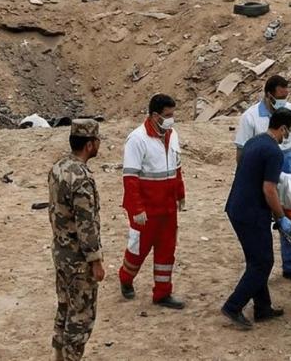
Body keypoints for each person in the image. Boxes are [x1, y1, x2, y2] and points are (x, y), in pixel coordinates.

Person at [222, 108, 291, 329]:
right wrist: (281, 216)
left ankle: (263, 308)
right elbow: (269, 189)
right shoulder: (274, 152)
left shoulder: (254, 142)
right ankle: (233, 306)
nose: (290, 135)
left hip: (238, 208)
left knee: (256, 260)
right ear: (282, 128)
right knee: (263, 262)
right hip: (251, 213)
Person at [235, 76, 291, 283]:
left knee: (286, 215)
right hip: (263, 166)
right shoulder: (251, 117)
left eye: (286, 96)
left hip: (286, 162)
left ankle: (289, 265)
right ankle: (259, 266)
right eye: (280, 97)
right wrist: (246, 177)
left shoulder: (290, 111)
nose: (284, 101)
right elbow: (242, 152)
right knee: (263, 217)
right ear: (269, 95)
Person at [119, 94, 187, 310]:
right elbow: (130, 178)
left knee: (167, 250)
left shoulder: (172, 135)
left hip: (167, 208)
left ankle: (162, 293)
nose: (171, 119)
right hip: (146, 210)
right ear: (156, 116)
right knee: (138, 250)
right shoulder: (137, 139)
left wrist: (180, 194)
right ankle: (126, 278)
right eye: (168, 115)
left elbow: (176, 168)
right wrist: (137, 209)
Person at [48, 119, 105, 361]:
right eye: (97, 141)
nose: (99, 145)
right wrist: (96, 261)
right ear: (90, 144)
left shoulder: (59, 167)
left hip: (61, 252)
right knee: (81, 317)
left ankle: (58, 355)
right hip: (78, 260)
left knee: (64, 306)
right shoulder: (81, 178)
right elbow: (86, 224)